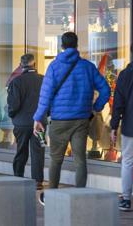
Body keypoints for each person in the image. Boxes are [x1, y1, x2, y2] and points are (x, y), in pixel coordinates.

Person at [33, 32, 110, 205]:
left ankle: (51, 195)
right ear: (76, 46)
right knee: (80, 159)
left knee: (56, 159)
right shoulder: (87, 67)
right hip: (81, 120)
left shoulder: (54, 66)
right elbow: (105, 90)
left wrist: (38, 118)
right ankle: (80, 194)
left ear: (62, 46)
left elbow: (45, 96)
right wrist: (96, 108)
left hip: (59, 121)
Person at [7, 54, 45, 190]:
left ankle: (18, 176)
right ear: (34, 65)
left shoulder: (16, 82)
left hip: (21, 123)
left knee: (21, 150)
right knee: (38, 152)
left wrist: (12, 115)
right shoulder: (44, 80)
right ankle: (38, 181)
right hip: (40, 124)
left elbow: (13, 104)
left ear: (21, 65)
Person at [110, 40, 133, 211]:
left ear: (132, 54)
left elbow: (118, 103)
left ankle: (126, 199)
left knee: (127, 162)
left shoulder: (125, 75)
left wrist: (114, 126)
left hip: (131, 127)